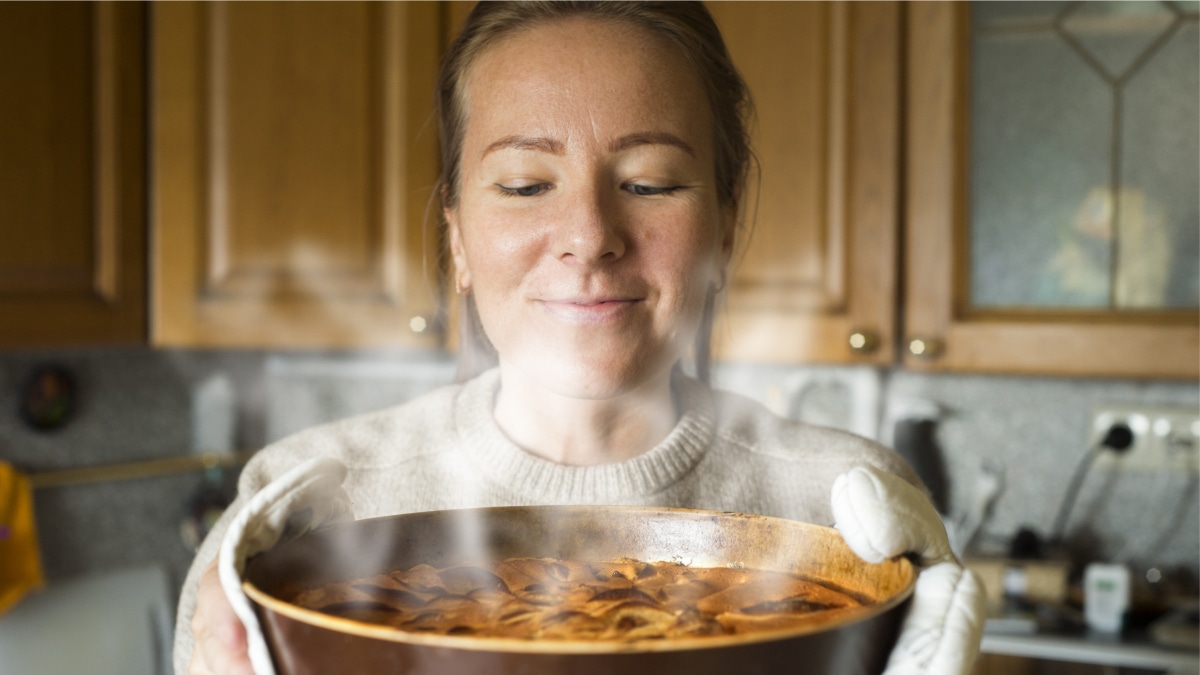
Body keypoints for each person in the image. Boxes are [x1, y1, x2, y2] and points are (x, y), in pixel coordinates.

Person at [177, 3, 984, 674]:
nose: (590, 236)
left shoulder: (848, 514)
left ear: (725, 226)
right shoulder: (296, 521)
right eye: (526, 185)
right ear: (457, 238)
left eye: (648, 183)